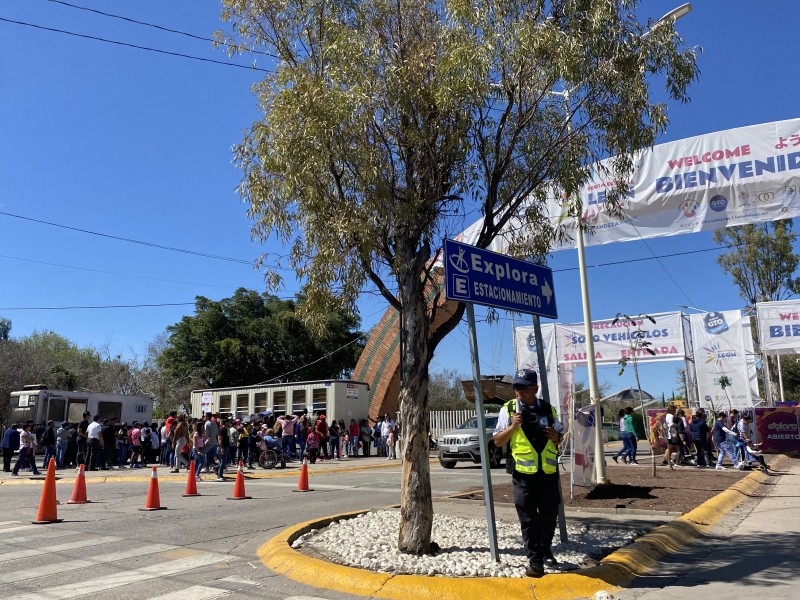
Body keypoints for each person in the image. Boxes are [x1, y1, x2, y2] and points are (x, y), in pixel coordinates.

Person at [492, 369, 563, 578]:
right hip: (523, 475)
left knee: (549, 517)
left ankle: (545, 548)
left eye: (523, 387)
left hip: (548, 473)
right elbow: (497, 441)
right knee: (529, 519)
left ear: (535, 388)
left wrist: (556, 437)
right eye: (516, 387)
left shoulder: (549, 410)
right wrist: (513, 427)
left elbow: (560, 437)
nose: (518, 391)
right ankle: (535, 561)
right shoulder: (508, 409)